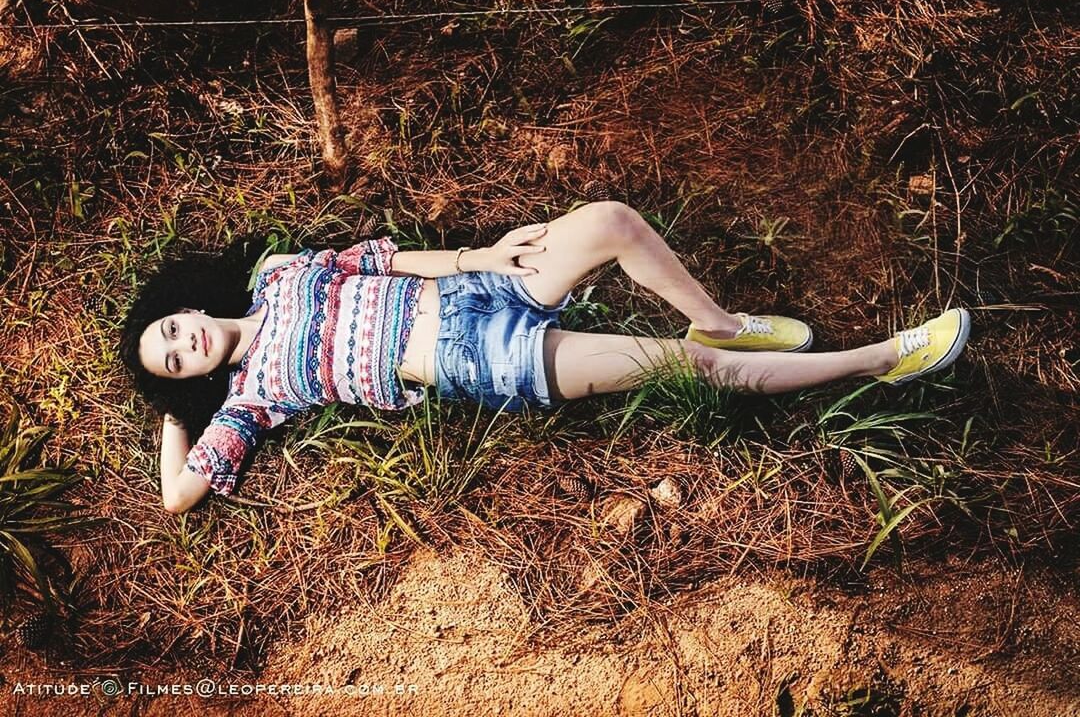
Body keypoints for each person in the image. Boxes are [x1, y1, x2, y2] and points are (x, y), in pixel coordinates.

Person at [119, 201, 970, 514]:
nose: (181, 347)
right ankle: (878, 359)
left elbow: (377, 259)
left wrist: (479, 257)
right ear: (192, 381)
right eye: (172, 365)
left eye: (168, 332)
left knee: (611, 222)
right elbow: (177, 496)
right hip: (481, 356)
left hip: (472, 289)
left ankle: (721, 320)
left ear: (185, 307)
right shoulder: (252, 396)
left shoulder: (278, 273)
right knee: (679, 368)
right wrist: (171, 415)